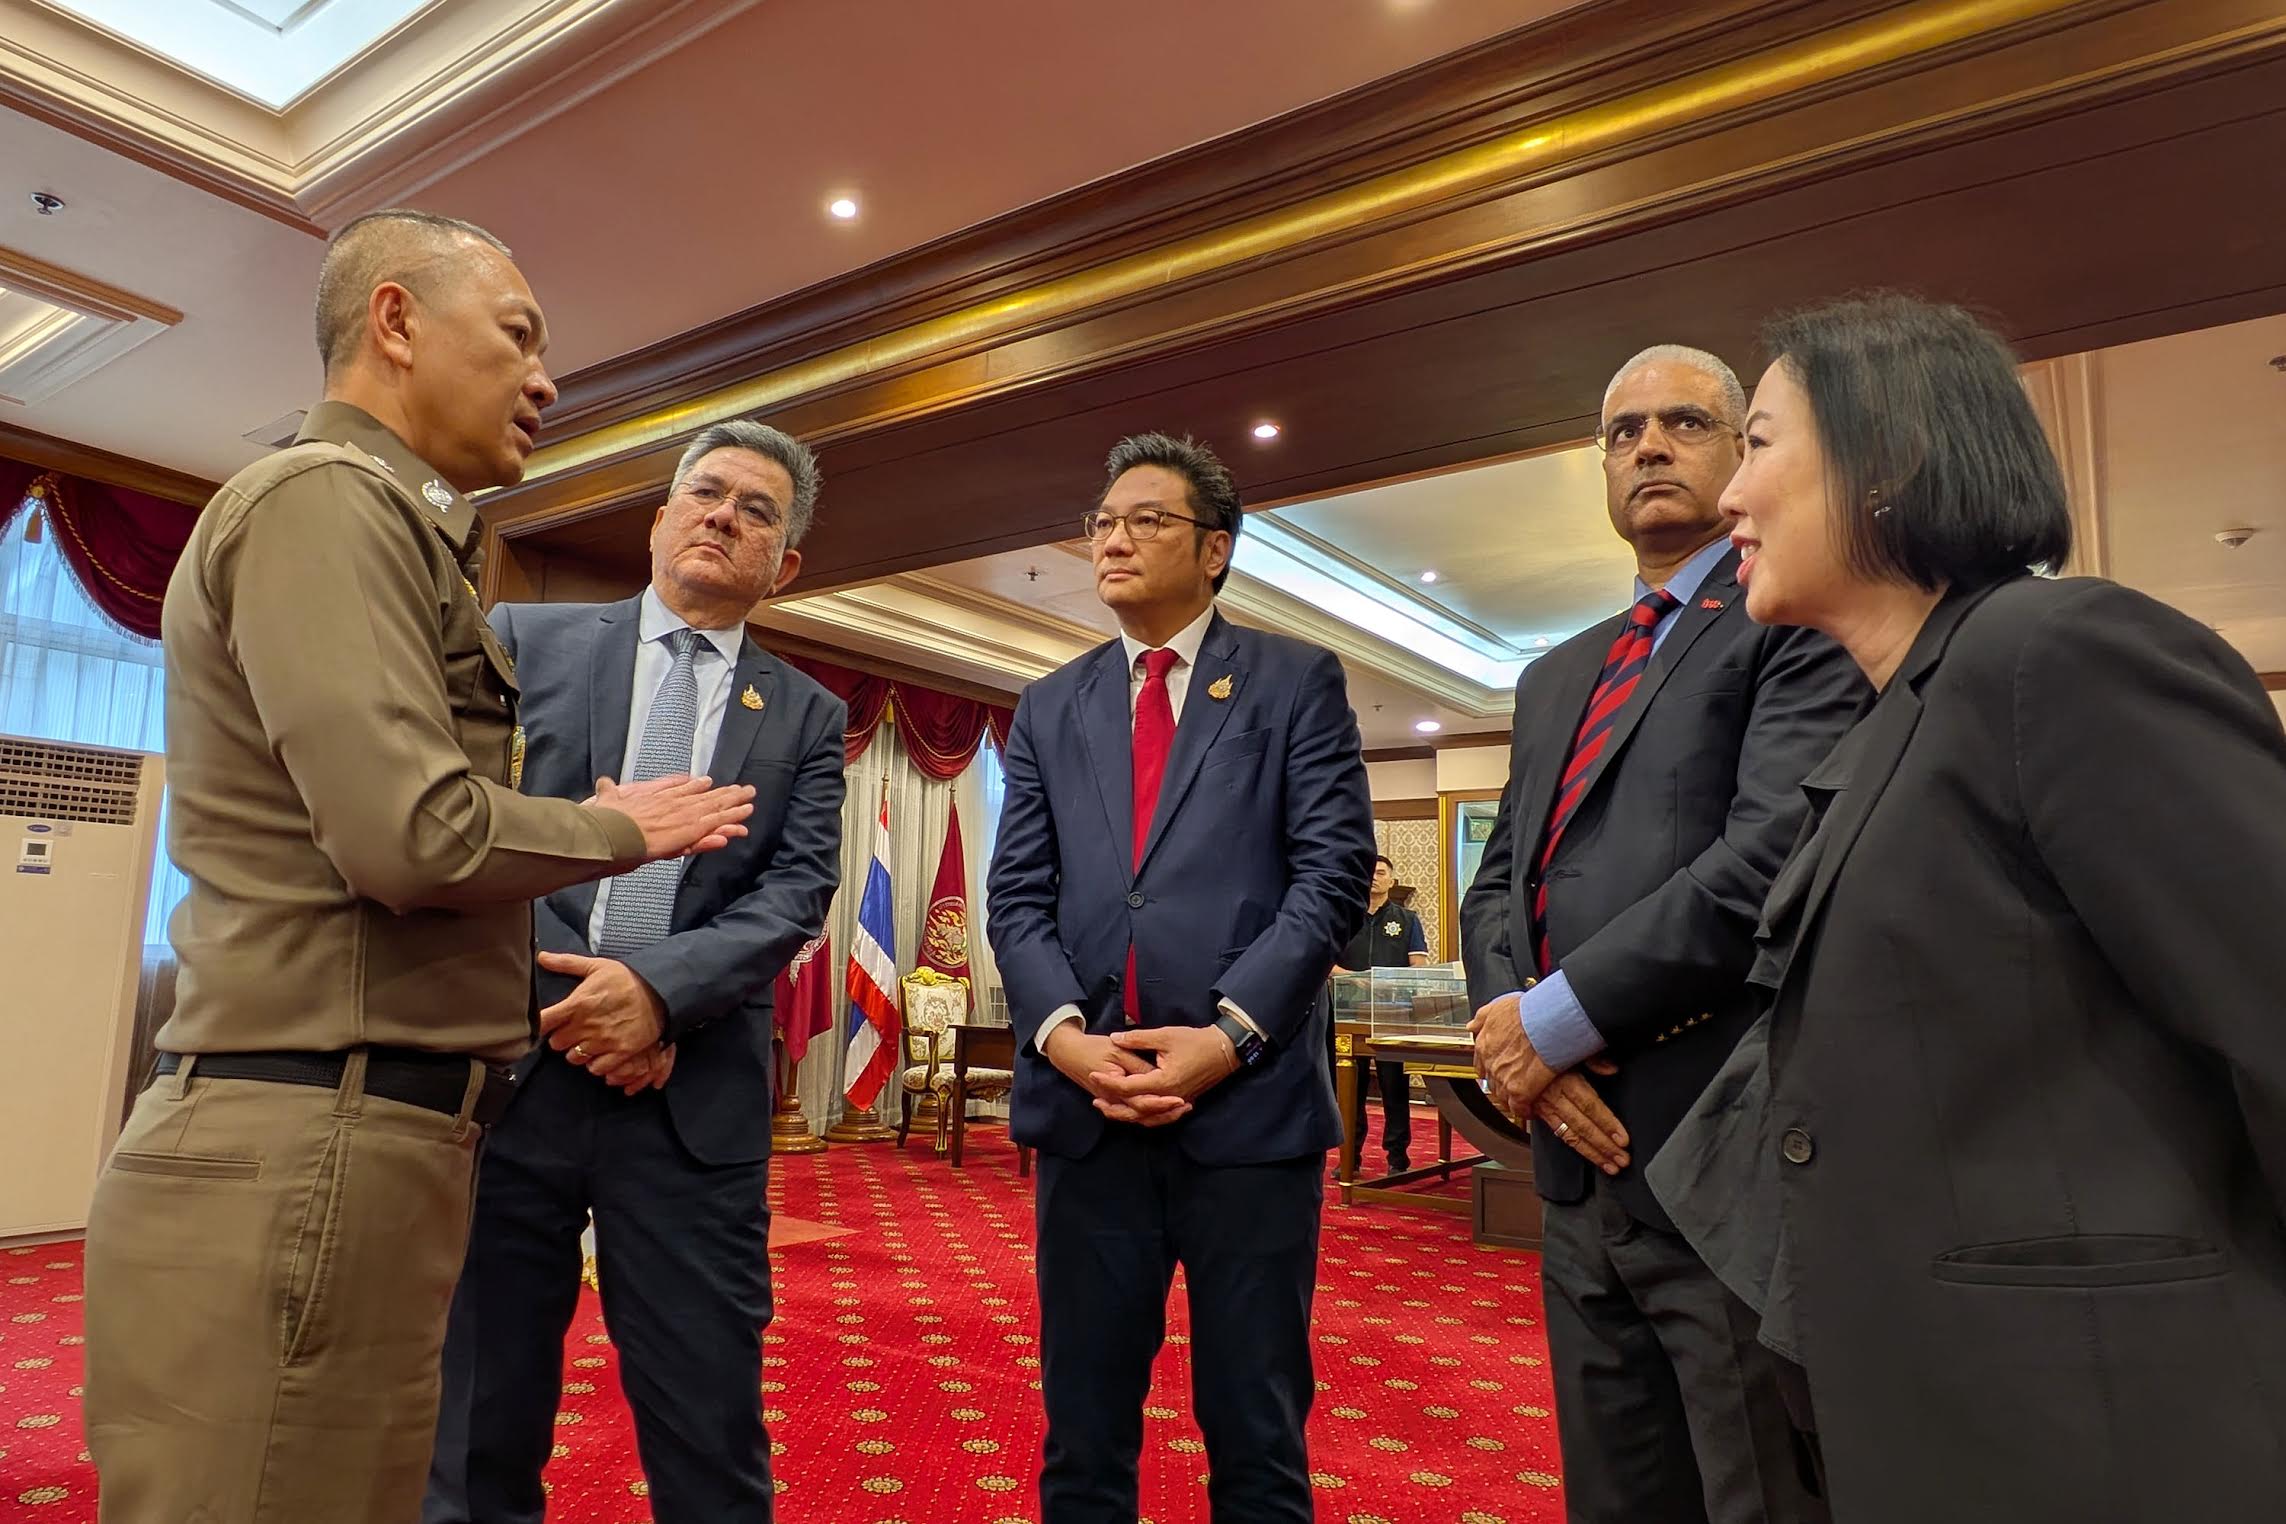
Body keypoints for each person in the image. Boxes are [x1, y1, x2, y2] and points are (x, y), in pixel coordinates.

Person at [82, 210, 756, 1524]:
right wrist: (621, 828)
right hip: (309, 1135)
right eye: (518, 337)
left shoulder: (392, 522)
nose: (546, 381)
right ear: (395, 321)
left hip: (362, 1138)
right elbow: (410, 832)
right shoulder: (326, 501)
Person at [1655, 291, 2286, 1524]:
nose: (1729, 494)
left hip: (2100, 1423)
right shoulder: (1900, 718)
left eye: (1760, 442)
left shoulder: (2058, 649)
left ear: (1888, 457)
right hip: (1937, 1404)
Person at [1459, 345, 1861, 1524]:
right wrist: (1524, 1050)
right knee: (1615, 1493)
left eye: (1683, 421)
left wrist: (1552, 1025)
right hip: (1568, 1161)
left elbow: (1769, 859)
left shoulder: (1788, 616)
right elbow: (1497, 886)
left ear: (1740, 451)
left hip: (1716, 1151)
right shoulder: (1554, 675)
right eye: (1623, 431)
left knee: (1754, 1494)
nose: (1648, 445)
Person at [423, 420, 846, 1524]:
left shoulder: (809, 714)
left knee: (708, 1425)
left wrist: (655, 996)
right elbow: (463, 825)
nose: (724, 517)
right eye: (705, 493)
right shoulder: (523, 639)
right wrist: (581, 1000)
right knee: (474, 1417)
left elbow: (796, 893)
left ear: (784, 564)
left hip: (688, 1102)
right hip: (513, 1077)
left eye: (757, 511)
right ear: (659, 520)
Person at [988, 432, 1373, 1523]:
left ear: (1215, 549)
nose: (1113, 539)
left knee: (1256, 1432)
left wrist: (1228, 1037)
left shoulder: (1294, 682)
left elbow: (1331, 877)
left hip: (1247, 1117)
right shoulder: (1049, 704)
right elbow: (1016, 896)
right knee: (1083, 1434)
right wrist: (1066, 1041)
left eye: (1145, 520)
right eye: (1102, 522)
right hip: (1089, 1112)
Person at [1332, 853, 1430, 1172]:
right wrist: (1354, 979)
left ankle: (1397, 1157)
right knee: (1349, 1090)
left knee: (1394, 1088)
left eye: (1381, 872)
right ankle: (1350, 1156)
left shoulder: (1407, 919)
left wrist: (1391, 983)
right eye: (1369, 872)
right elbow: (1325, 963)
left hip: (1393, 1015)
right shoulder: (1345, 916)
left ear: (1391, 880)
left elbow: (1419, 966)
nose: (1374, 877)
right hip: (1348, 1014)